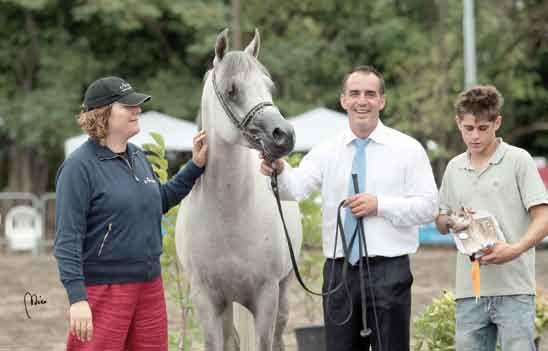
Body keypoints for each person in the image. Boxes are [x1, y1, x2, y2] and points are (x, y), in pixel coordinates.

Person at [260, 66, 438, 351]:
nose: (362, 100)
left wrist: (380, 205)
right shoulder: (325, 150)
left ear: (382, 100)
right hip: (339, 273)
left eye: (370, 93)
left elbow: (429, 207)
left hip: (389, 269)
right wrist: (278, 169)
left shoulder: (408, 149)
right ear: (343, 100)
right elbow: (294, 188)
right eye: (354, 93)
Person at [54, 76, 208, 351]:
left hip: (149, 284)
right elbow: (67, 239)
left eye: (137, 105)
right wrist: (77, 298)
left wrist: (195, 166)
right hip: (104, 289)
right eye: (128, 106)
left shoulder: (137, 156)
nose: (137, 110)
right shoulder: (78, 167)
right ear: (102, 115)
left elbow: (159, 200)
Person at [435, 85, 548, 351]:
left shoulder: (518, 160)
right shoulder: (453, 167)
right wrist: (453, 220)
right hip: (469, 292)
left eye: (483, 128)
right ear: (458, 123)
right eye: (468, 128)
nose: (474, 136)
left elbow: (543, 216)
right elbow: (440, 221)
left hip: (515, 289)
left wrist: (515, 249)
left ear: (497, 122)